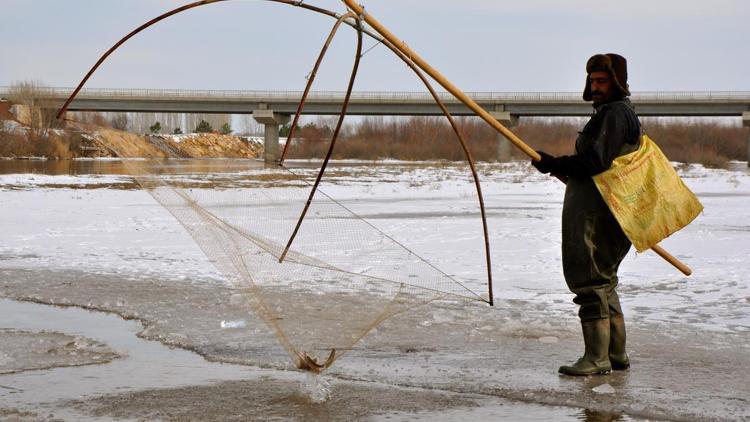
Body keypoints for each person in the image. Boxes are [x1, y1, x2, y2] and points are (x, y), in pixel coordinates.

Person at [531, 53, 640, 376]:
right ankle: (615, 354)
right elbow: (595, 166)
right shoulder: (615, 113)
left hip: (597, 215)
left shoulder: (616, 114)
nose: (595, 87)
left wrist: (554, 163)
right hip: (604, 208)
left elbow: (596, 163)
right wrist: (555, 168)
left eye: (602, 81)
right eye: (592, 81)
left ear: (617, 82)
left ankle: (596, 358)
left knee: (590, 280)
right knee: (604, 282)